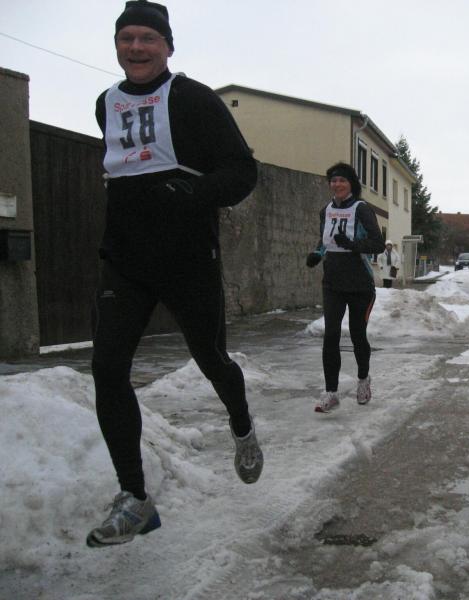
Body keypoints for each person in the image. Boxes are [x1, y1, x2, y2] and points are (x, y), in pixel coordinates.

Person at [87, 0, 263, 548]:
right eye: (127, 38)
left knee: (211, 359)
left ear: (167, 46)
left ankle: (242, 424)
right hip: (126, 260)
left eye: (148, 38)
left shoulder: (193, 99)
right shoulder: (105, 104)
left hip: (188, 259)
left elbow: (243, 171)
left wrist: (195, 191)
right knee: (107, 367)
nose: (136, 47)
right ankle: (135, 498)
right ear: (117, 45)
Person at [305, 162, 385, 412]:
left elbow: (378, 244)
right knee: (331, 335)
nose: (337, 184)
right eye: (333, 180)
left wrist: (352, 244)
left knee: (357, 334)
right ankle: (331, 392)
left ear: (351, 184)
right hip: (333, 282)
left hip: (360, 283)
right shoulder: (326, 210)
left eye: (342, 180)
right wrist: (317, 253)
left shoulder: (361, 209)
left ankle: (363, 380)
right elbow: (325, 240)